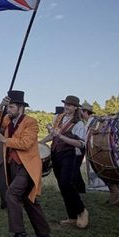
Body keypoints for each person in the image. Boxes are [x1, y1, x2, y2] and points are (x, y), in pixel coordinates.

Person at [0, 90, 52, 237]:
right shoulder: (8, 120)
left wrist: (5, 140)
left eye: (11, 107)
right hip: (13, 165)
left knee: (12, 194)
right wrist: (1, 105)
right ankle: (44, 235)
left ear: (21, 108)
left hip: (27, 166)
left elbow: (26, 143)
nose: (9, 110)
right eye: (9, 107)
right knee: (28, 199)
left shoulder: (31, 122)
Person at [41, 95, 89, 229]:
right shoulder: (60, 118)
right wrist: (40, 143)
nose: (67, 107)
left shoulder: (78, 123)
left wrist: (61, 136)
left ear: (75, 108)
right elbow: (52, 135)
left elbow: (80, 144)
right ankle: (72, 216)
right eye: (66, 104)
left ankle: (82, 211)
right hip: (56, 153)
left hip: (69, 155)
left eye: (70, 105)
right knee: (63, 186)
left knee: (66, 183)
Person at [81, 102, 119, 205]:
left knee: (104, 173)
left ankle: (116, 195)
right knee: (102, 173)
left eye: (81, 111)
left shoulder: (95, 122)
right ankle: (115, 194)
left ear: (85, 112)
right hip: (94, 152)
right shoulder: (89, 122)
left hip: (100, 152)